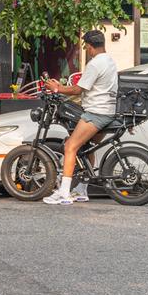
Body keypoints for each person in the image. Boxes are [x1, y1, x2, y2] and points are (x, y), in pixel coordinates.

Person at [42, 30, 116, 205]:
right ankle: (81, 190)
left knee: (70, 146)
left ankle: (64, 193)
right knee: (87, 148)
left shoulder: (95, 64)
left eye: (86, 47)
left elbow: (78, 89)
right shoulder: (109, 61)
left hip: (96, 113)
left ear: (89, 47)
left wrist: (57, 88)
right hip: (107, 111)